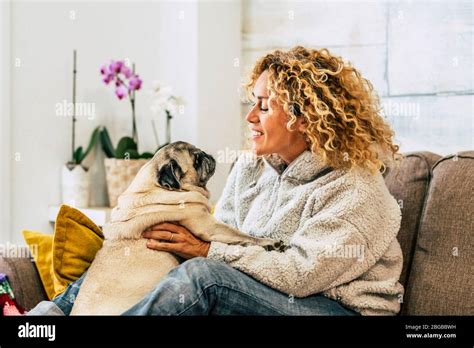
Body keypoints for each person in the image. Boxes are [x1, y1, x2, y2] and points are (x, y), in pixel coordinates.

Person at [29, 46, 404, 316]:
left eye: (263, 105)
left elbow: (299, 274)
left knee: (203, 277)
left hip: (336, 308)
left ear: (303, 117)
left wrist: (208, 252)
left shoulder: (355, 189)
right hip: (267, 291)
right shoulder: (252, 168)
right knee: (132, 248)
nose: (250, 117)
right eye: (251, 102)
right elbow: (215, 233)